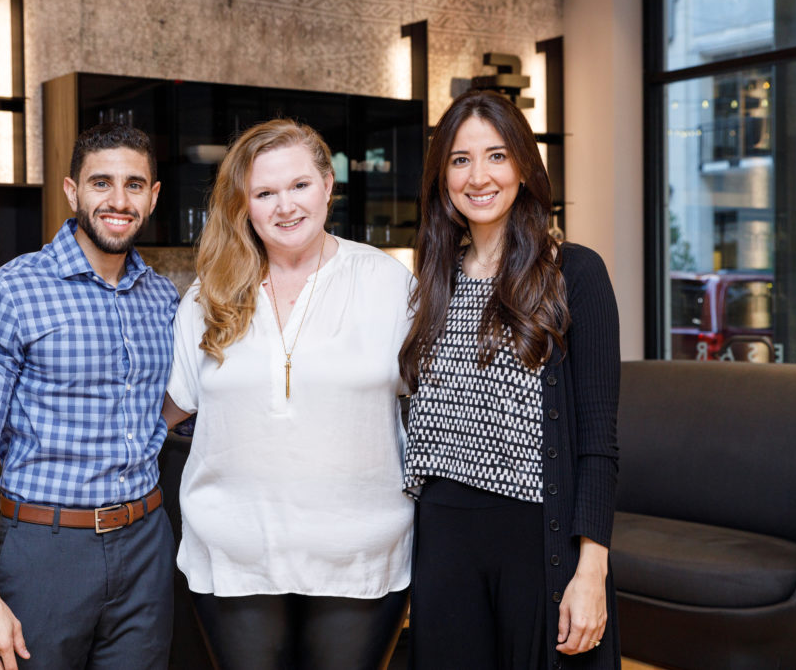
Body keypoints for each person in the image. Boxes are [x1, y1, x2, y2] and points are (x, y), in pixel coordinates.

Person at [161, 118, 413, 670]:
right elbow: (166, 410)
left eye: (299, 185)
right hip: (235, 555)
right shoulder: (210, 295)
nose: (285, 206)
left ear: (328, 185)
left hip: (361, 555)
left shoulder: (389, 284)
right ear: (244, 205)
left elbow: (439, 404)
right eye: (265, 193)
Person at [0, 122, 179, 670]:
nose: (118, 201)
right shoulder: (11, 293)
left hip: (147, 545)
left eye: (135, 185)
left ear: (154, 195)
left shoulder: (164, 298)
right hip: (45, 550)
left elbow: (168, 406)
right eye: (101, 183)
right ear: (72, 192)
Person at [399, 90, 621, 669]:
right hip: (443, 539)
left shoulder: (574, 272)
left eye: (496, 156)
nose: (479, 176)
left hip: (534, 539)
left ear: (523, 166)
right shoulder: (431, 282)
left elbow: (599, 443)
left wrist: (591, 571)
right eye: (460, 159)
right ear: (442, 175)